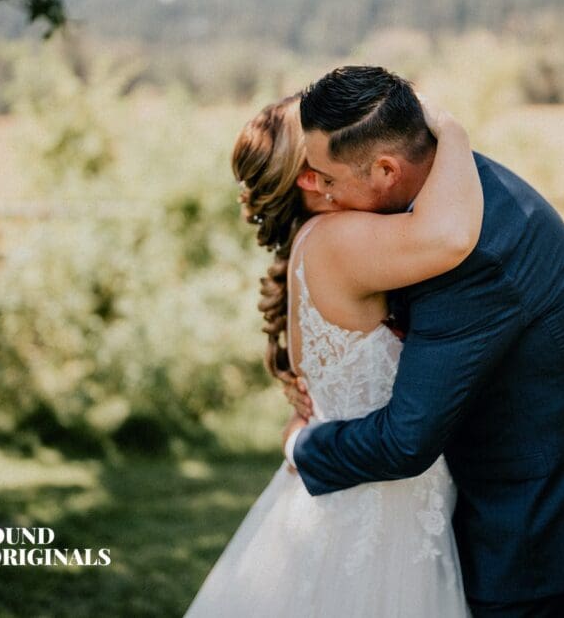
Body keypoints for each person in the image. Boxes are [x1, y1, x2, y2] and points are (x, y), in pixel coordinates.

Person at [281, 65, 564, 617]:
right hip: (503, 491)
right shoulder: (447, 190)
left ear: (385, 169)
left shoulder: (473, 261)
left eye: (329, 179)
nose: (322, 193)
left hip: (531, 523)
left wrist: (300, 445)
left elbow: (406, 441)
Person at [183, 90, 482, 617]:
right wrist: (451, 129)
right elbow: (450, 234)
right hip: (381, 519)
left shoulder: (313, 242)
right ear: (309, 178)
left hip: (348, 495)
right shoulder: (340, 239)